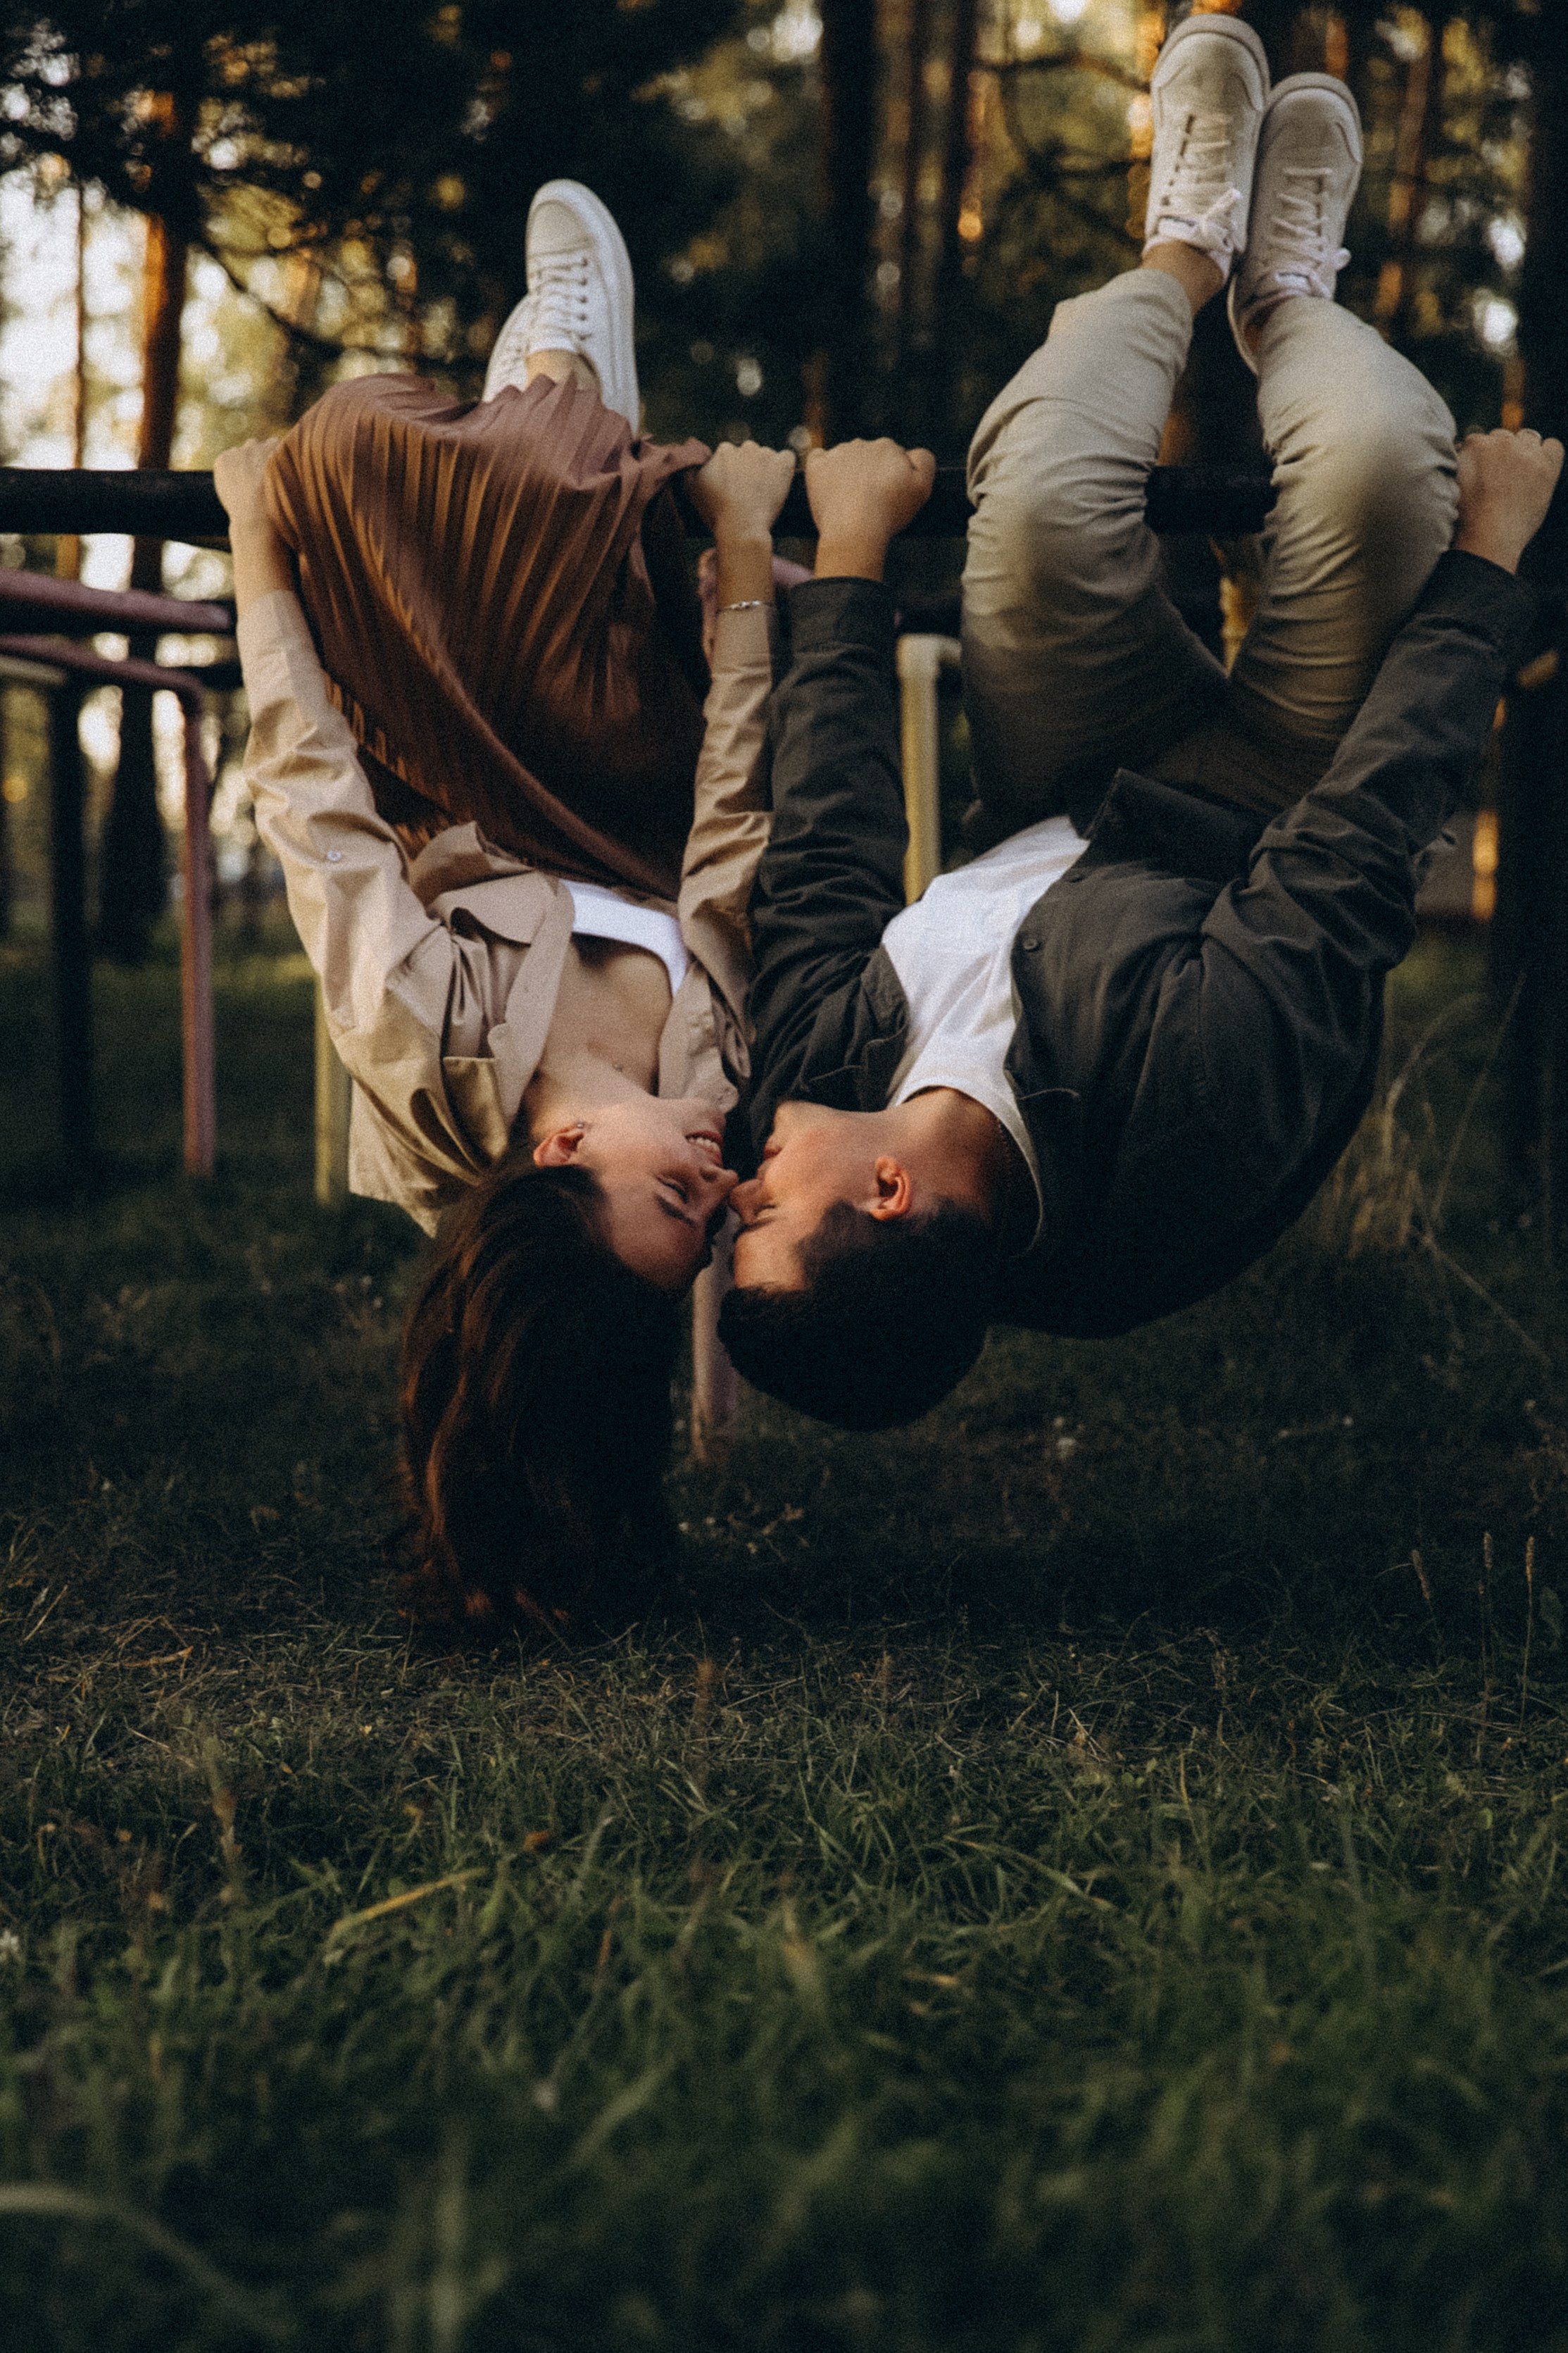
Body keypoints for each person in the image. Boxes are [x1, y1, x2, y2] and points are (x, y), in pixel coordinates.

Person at [717, 15, 1563, 1430]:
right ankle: (1286, 292)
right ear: (884, 1190)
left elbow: (821, 864)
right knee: (1367, 477)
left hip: (1063, 774)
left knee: (1046, 501)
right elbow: (1355, 847)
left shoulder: (808, 1084)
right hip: (1273, 811)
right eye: (759, 1214)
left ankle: (1183, 240)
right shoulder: (1189, 1120)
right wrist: (1486, 569)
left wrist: (851, 569)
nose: (737, 1181)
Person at [218, 180, 798, 1631]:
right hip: (639, 749)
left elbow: (319, 806)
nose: (724, 1182)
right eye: (714, 1218)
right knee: (581, 530)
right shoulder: (704, 1081)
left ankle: (549, 393)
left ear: (562, 1149)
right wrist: (740, 569)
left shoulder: (419, 1040)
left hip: (458, 766)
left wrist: (248, 545)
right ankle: (557, 393)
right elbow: (729, 842)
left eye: (678, 1193)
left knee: (337, 445)